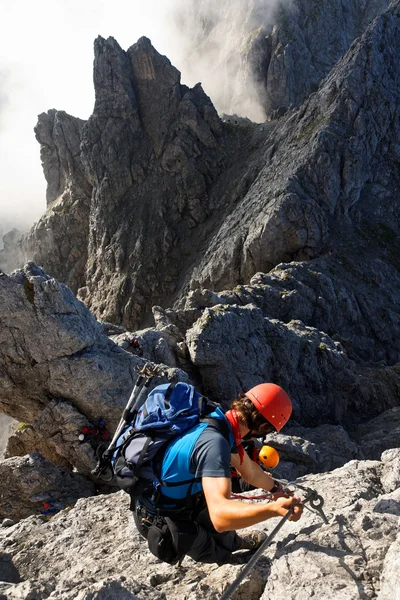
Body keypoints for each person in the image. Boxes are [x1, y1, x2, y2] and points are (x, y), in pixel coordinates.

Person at [133, 383, 303, 565]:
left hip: (184, 498)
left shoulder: (220, 422)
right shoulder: (215, 443)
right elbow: (220, 516)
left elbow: (249, 470)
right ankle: (227, 559)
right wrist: (273, 510)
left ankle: (236, 543)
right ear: (262, 426)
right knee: (206, 546)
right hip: (159, 513)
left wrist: (276, 489)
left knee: (223, 532)